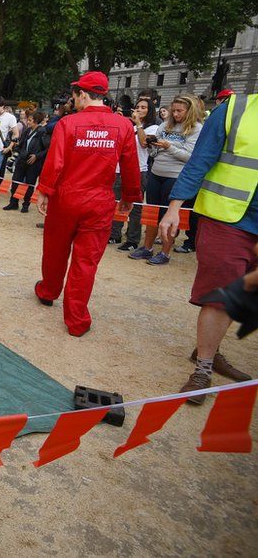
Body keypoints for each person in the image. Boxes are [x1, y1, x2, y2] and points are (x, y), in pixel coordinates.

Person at [159, 92, 256, 404]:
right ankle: (203, 367)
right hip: (229, 219)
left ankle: (209, 351)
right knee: (221, 296)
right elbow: (199, 160)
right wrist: (174, 208)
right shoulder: (234, 110)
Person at [34, 71, 141, 337]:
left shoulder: (68, 124)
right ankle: (77, 320)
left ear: (82, 94)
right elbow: (130, 165)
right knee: (86, 262)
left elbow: (55, 161)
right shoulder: (124, 126)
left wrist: (45, 191)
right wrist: (129, 196)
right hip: (100, 200)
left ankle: (48, 291)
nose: (73, 100)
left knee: (55, 250)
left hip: (66, 198)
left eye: (75, 95)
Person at [128, 94, 204, 265]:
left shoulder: (197, 129)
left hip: (176, 176)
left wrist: (168, 147)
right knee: (151, 213)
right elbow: (154, 153)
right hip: (156, 173)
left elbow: (190, 157)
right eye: (174, 110)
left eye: (180, 111)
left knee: (167, 215)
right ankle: (147, 248)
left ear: (189, 111)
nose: (176, 114)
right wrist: (152, 146)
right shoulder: (164, 125)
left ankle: (165, 251)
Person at [112, 98, 158, 251]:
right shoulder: (129, 126)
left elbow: (144, 143)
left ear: (149, 110)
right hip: (120, 169)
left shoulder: (153, 127)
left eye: (143, 107)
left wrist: (138, 124)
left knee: (135, 206)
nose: (139, 109)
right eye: (137, 107)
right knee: (117, 201)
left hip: (139, 169)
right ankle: (115, 233)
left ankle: (132, 239)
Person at [4, 110, 49, 212]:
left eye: (30, 120)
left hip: (33, 163)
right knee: (15, 181)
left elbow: (47, 149)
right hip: (22, 160)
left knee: (30, 183)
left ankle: (26, 204)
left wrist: (36, 156)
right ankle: (13, 202)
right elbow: (21, 144)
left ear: (36, 121)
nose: (27, 122)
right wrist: (17, 152)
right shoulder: (27, 131)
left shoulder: (43, 132)